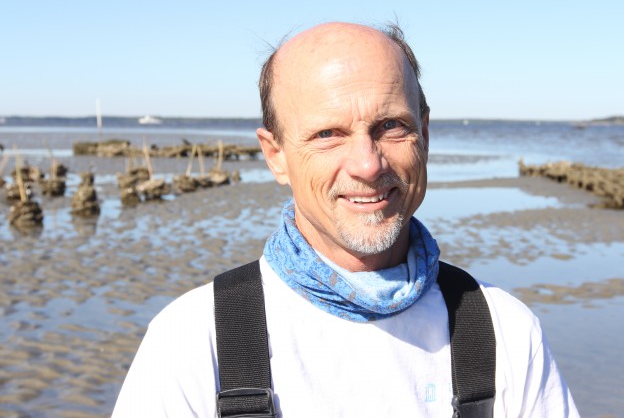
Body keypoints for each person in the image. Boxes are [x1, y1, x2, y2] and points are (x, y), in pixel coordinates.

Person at [113, 22, 579, 417]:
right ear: (275, 156)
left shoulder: (505, 333)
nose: (368, 164)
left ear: (426, 133)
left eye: (391, 126)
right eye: (328, 133)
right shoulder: (196, 340)